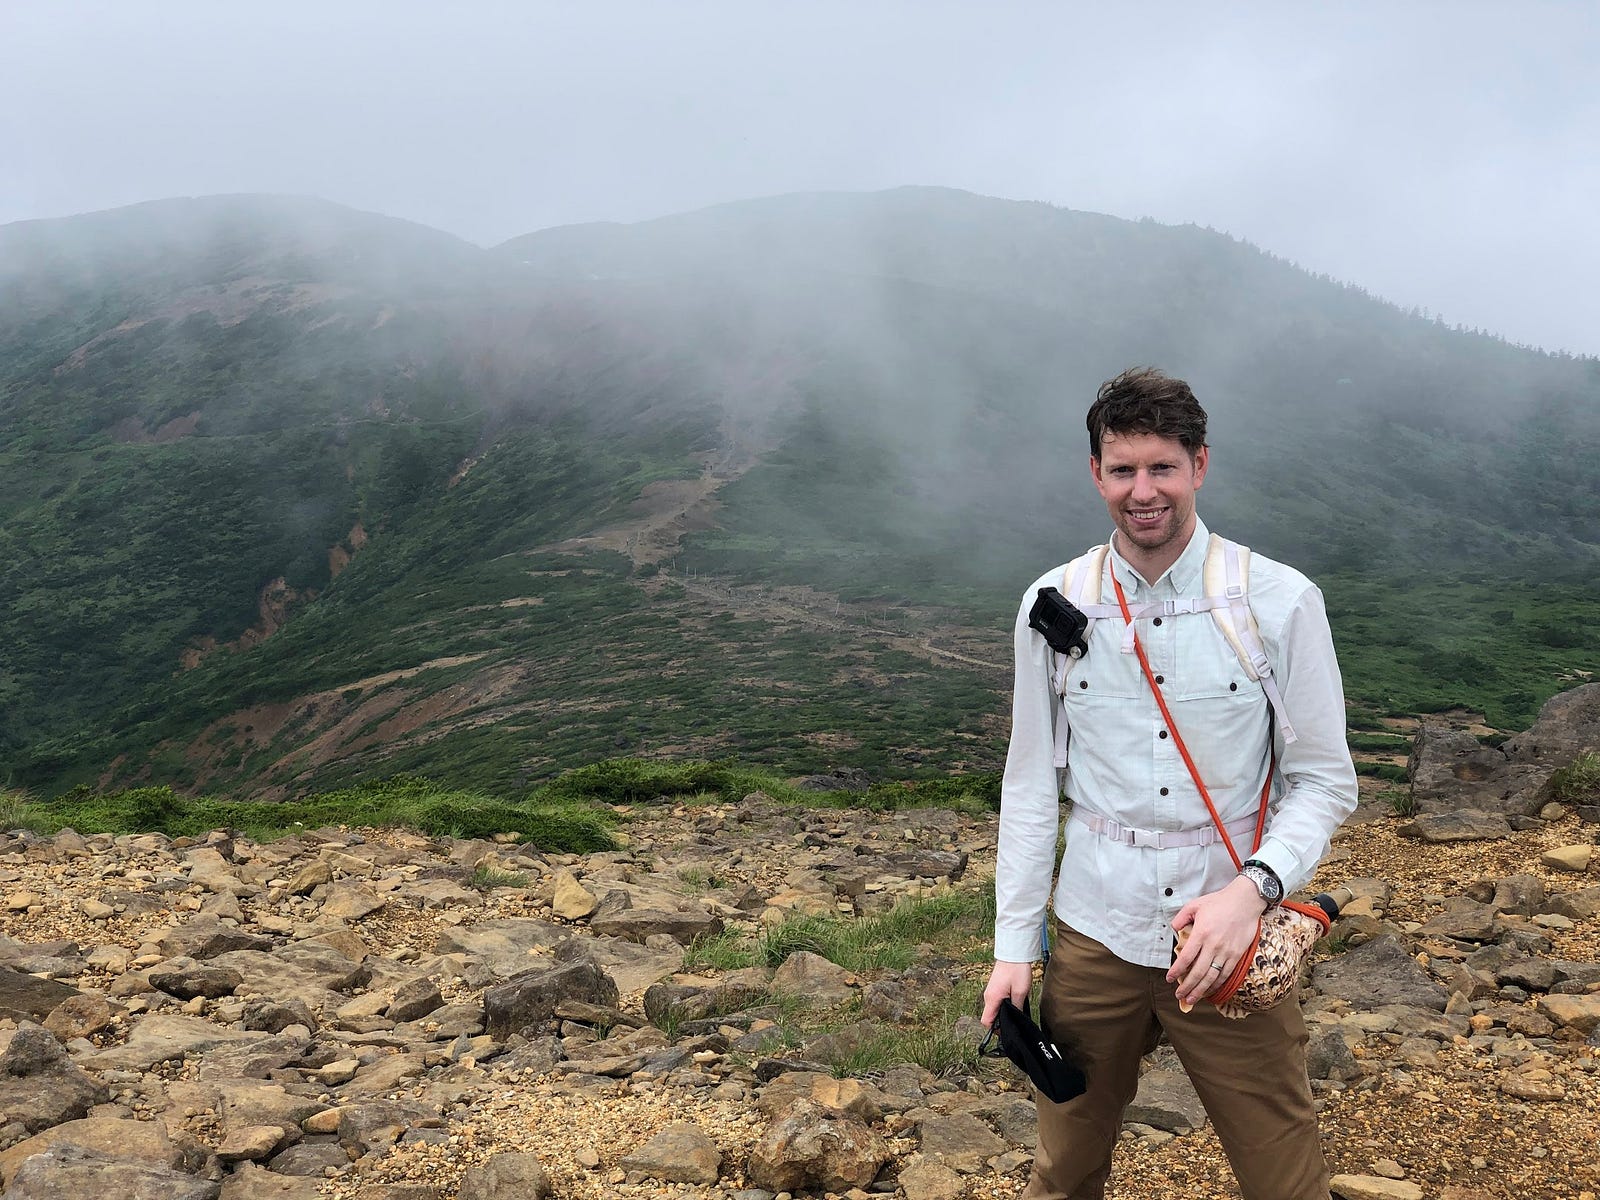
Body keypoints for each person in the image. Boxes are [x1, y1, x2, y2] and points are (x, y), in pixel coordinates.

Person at [980, 367, 1358, 1200]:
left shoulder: (1278, 601)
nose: (1142, 492)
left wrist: (1253, 892)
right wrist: (1015, 947)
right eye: (1122, 470)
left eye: (1162, 468)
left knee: (1284, 1175)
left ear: (1200, 465)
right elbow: (1032, 787)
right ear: (1095, 474)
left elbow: (1326, 782)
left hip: (1227, 936)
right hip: (1093, 933)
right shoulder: (1055, 606)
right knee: (1066, 1167)